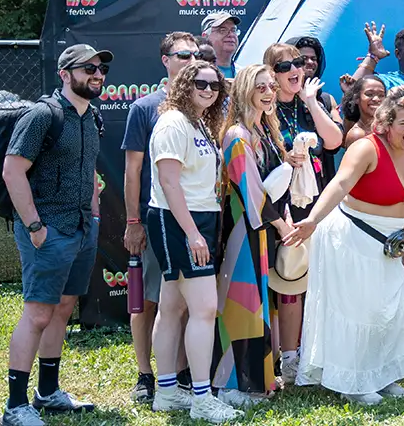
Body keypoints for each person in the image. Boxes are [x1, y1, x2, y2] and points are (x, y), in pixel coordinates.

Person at [288, 87, 404, 405]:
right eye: (403, 123)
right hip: (351, 237)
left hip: (389, 244)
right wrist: (313, 220)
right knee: (360, 310)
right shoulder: (366, 148)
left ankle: (384, 375)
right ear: (387, 123)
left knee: (391, 311)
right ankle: (353, 383)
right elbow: (340, 183)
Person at [0, 44, 109, 426]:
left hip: (80, 227)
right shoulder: (42, 116)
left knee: (63, 310)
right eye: (88, 69)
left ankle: (47, 393)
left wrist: (92, 214)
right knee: (38, 313)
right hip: (47, 229)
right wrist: (34, 227)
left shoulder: (91, 117)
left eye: (100, 69)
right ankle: (15, 406)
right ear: (65, 74)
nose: (97, 74)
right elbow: (12, 171)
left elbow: (90, 168)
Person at [144, 61, 243, 422]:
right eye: (200, 83)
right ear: (184, 84)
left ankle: (167, 392)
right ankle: (202, 398)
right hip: (179, 220)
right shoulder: (172, 123)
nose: (208, 90)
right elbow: (169, 184)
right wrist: (193, 234)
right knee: (203, 309)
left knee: (172, 307)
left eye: (214, 85)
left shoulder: (197, 121)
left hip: (195, 217)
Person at [211, 64, 297, 408]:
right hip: (241, 230)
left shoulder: (262, 131)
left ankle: (257, 380)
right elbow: (252, 192)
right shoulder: (237, 135)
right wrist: (281, 225)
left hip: (258, 228)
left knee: (259, 304)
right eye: (260, 86)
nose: (268, 92)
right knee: (240, 305)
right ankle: (230, 385)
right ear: (245, 89)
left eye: (271, 86)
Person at [122, 32, 197, 405]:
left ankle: (180, 374)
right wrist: (134, 222)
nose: (190, 59)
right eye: (183, 54)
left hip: (198, 221)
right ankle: (144, 375)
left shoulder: (206, 108)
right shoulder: (144, 108)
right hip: (158, 220)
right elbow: (132, 171)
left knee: (184, 301)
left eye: (196, 55)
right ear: (165, 60)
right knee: (147, 301)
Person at [263, 43, 343, 382]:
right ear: (271, 73)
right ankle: (286, 358)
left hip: (316, 203)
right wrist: (285, 158)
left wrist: (310, 101)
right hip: (277, 206)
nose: (295, 70)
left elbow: (334, 141)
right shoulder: (263, 105)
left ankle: (311, 354)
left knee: (315, 280)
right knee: (286, 280)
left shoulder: (320, 101)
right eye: (284, 67)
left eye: (298, 63)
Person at [287, 35, 343, 185]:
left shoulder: (325, 99)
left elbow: (335, 143)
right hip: (288, 183)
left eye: (314, 58)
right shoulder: (278, 101)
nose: (310, 63)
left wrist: (311, 102)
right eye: (303, 58)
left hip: (321, 179)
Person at [341, 75, 386, 150]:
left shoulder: (388, 129)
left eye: (381, 95)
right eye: (369, 94)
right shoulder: (357, 135)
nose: (376, 99)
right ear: (356, 98)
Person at [201, 12, 241, 79]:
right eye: (222, 30)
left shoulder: (244, 74)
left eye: (233, 30)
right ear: (205, 36)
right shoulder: (196, 72)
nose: (231, 35)